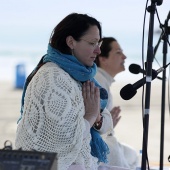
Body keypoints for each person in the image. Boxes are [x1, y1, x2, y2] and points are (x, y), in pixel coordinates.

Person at [15, 13, 119, 170]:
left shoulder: (83, 77)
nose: (98, 50)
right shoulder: (53, 77)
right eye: (92, 43)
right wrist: (91, 116)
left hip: (80, 163)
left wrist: (96, 118)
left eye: (99, 43)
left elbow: (105, 122)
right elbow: (64, 139)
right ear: (71, 42)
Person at [94, 37, 138, 170]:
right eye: (118, 52)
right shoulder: (98, 82)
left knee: (132, 154)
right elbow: (94, 127)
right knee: (132, 157)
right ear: (102, 58)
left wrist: (108, 124)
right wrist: (106, 125)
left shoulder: (101, 79)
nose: (124, 57)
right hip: (98, 145)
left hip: (103, 140)